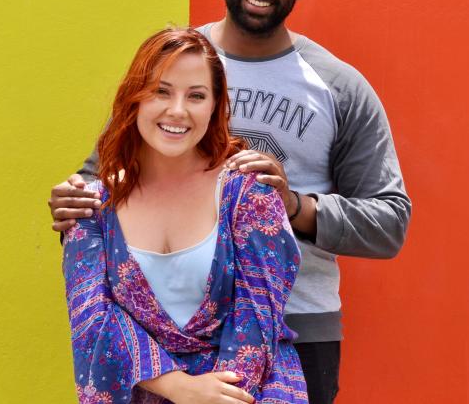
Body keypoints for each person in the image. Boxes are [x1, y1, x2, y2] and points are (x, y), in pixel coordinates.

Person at [52, 0, 411, 404]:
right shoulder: (176, 64)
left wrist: (294, 206)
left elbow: (390, 220)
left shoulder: (338, 87)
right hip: (160, 326)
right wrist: (73, 204)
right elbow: (104, 183)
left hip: (297, 324)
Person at [63, 27, 307, 403]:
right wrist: (183, 389)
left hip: (246, 394)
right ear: (134, 98)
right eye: (161, 91)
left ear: (214, 106)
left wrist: (218, 396)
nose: (177, 110)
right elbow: (92, 322)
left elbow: (257, 319)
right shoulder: (92, 208)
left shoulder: (249, 195)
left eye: (196, 95)